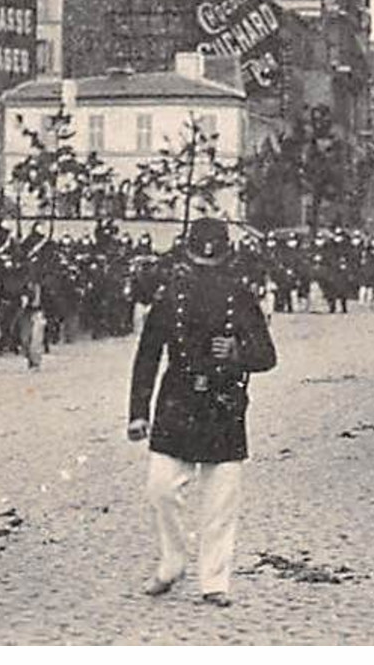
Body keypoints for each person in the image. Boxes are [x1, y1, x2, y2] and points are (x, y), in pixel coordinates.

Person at [128, 217, 278, 607]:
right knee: (161, 489)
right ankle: (172, 562)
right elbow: (147, 355)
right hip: (177, 400)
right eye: (198, 263)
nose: (204, 270)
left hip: (223, 404)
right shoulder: (169, 296)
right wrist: (137, 412)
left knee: (220, 501)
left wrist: (238, 354)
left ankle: (214, 580)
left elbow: (267, 356)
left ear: (226, 257)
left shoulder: (242, 298)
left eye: (212, 263)